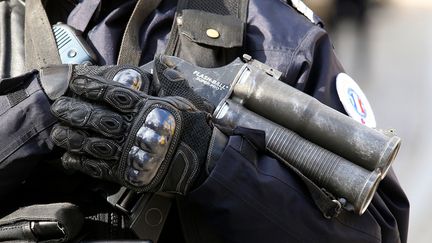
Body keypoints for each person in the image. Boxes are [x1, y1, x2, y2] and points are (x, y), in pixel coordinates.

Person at [0, 0, 409, 242]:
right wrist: (37, 108)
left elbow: (376, 230)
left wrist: (208, 162)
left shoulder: (271, 31)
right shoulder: (9, 23)